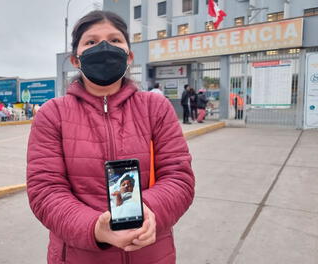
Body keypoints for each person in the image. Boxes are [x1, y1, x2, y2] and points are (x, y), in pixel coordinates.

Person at [27, 11, 194, 263]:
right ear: (75, 59)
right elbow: (45, 191)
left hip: (150, 253)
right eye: (91, 42)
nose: (104, 47)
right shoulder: (52, 115)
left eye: (115, 40)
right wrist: (95, 227)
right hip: (77, 256)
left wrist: (147, 211)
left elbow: (179, 178)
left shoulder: (155, 108)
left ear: (129, 56)